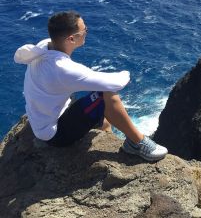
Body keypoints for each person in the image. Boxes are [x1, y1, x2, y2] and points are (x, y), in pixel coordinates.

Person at [14, 10, 167, 162]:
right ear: (71, 39)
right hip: (55, 135)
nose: (87, 31)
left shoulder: (45, 45)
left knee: (99, 102)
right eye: (84, 30)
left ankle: (107, 135)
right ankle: (137, 143)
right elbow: (116, 83)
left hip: (43, 117)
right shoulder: (63, 68)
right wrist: (128, 73)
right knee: (106, 95)